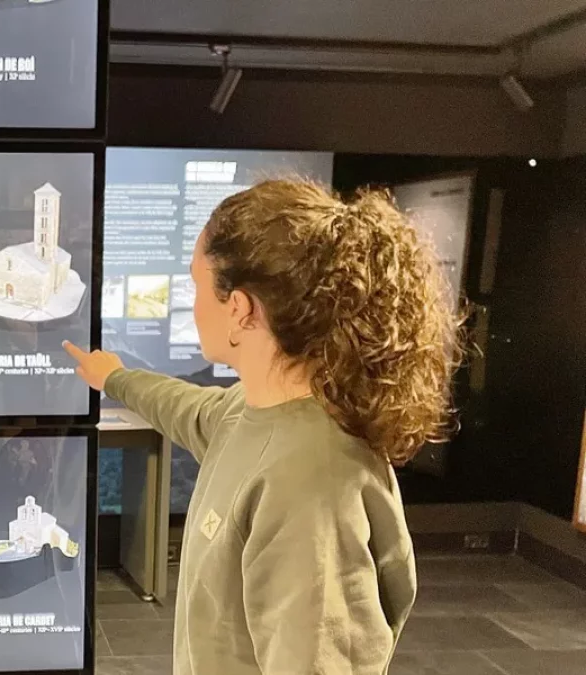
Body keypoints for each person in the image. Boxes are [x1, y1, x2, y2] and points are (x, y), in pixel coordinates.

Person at [66, 179, 462, 675]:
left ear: (239, 307)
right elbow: (187, 407)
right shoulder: (248, 414)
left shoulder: (309, 481)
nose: (193, 304)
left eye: (196, 284)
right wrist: (116, 378)